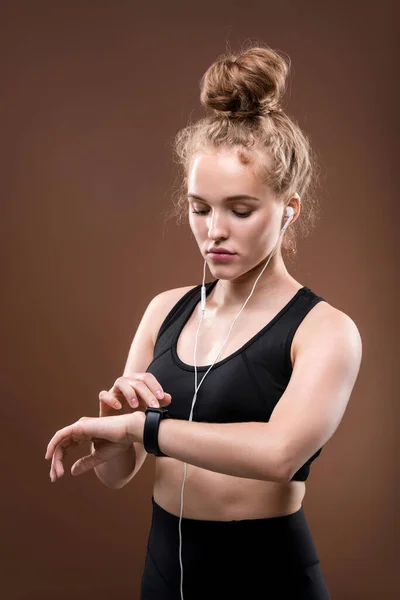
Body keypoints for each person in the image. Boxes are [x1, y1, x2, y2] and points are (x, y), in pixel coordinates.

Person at [45, 42, 362, 600]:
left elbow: (280, 453)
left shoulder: (324, 329)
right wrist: (115, 422)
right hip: (165, 568)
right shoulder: (164, 309)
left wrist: (141, 428)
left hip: (268, 575)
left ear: (288, 209)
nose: (215, 229)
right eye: (199, 207)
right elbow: (120, 472)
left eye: (240, 210)